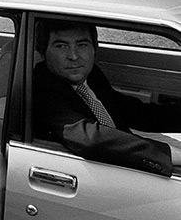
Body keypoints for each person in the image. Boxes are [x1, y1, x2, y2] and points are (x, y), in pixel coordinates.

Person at [33, 18, 181, 176]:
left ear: (95, 47)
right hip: (96, 174)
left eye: (82, 45)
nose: (74, 56)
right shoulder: (41, 89)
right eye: (61, 46)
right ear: (43, 52)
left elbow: (131, 111)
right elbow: (88, 137)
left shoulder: (90, 75)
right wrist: (167, 153)